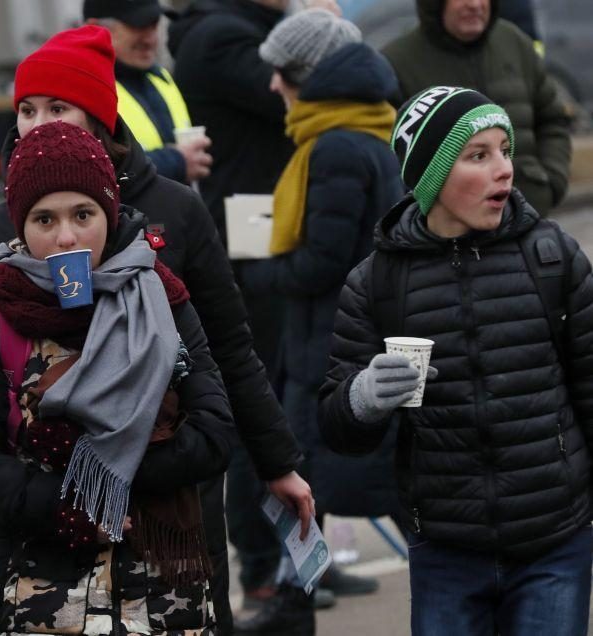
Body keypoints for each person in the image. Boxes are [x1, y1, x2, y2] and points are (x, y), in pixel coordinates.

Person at [0, 25, 312, 634]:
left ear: (100, 117)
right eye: (26, 109)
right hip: (47, 534)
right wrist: (59, 485)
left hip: (172, 509)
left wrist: (276, 460)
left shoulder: (175, 210)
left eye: (58, 107)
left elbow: (228, 350)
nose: (39, 123)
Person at [0, 120, 235, 635]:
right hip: (46, 602)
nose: (67, 236)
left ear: (109, 212)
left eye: (83, 214)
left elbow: (214, 430)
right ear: (19, 225)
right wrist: (64, 504)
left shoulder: (160, 296)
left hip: (167, 604)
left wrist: (103, 471)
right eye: (44, 219)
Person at [319, 87, 593, 636]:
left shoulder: (552, 256)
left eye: (505, 150)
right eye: (478, 156)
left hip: (555, 541)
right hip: (446, 548)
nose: (505, 171)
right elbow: (337, 428)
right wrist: (364, 397)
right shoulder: (376, 283)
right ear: (432, 178)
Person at [234, 8, 403, 630]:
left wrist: (251, 269)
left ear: (308, 74)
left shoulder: (332, 147)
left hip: (327, 344)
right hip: (341, 338)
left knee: (304, 481)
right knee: (316, 485)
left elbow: (320, 266)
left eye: (281, 73)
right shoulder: (365, 132)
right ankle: (292, 599)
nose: (273, 86)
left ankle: (291, 603)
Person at [381, 0, 571, 214]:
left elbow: (552, 119)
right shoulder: (397, 63)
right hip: (448, 234)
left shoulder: (515, 42)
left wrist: (552, 181)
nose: (474, 4)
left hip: (530, 212)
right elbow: (389, 155)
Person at [83, 0, 213, 184]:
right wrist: (176, 162)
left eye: (154, 25)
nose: (150, 38)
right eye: (138, 26)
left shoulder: (160, 78)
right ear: (95, 28)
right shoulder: (81, 92)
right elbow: (97, 171)